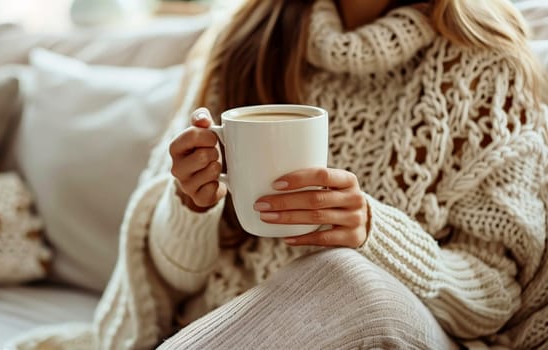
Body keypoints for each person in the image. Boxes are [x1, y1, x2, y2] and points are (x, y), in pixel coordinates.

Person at [89, 0, 548, 349]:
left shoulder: (484, 66)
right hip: (225, 323)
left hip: (403, 329)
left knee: (345, 274)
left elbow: (493, 299)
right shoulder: (246, 39)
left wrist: (374, 232)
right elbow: (174, 281)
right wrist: (192, 204)